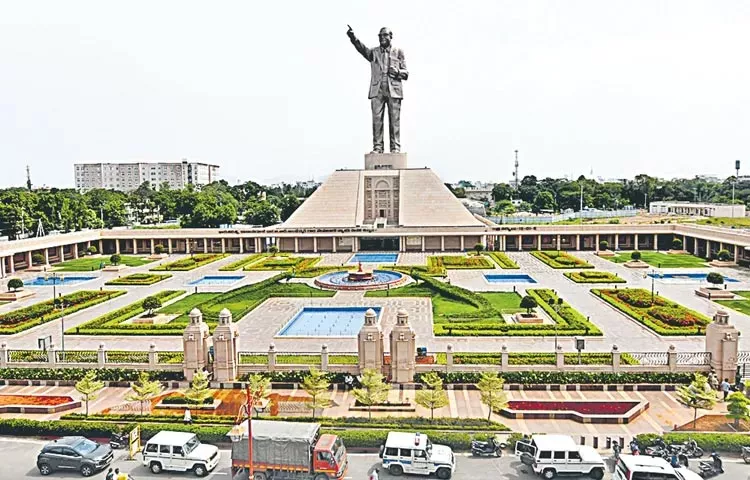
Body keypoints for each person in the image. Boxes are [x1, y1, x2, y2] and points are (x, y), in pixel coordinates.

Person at [346, 25, 408, 154]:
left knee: (394, 121)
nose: (382, 38)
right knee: (377, 121)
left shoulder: (398, 52)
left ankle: (395, 147)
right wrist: (353, 38)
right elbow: (362, 49)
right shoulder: (374, 52)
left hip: (394, 90)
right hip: (377, 89)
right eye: (380, 36)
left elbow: (406, 73)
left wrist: (397, 72)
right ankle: (378, 147)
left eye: (385, 35)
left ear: (391, 37)